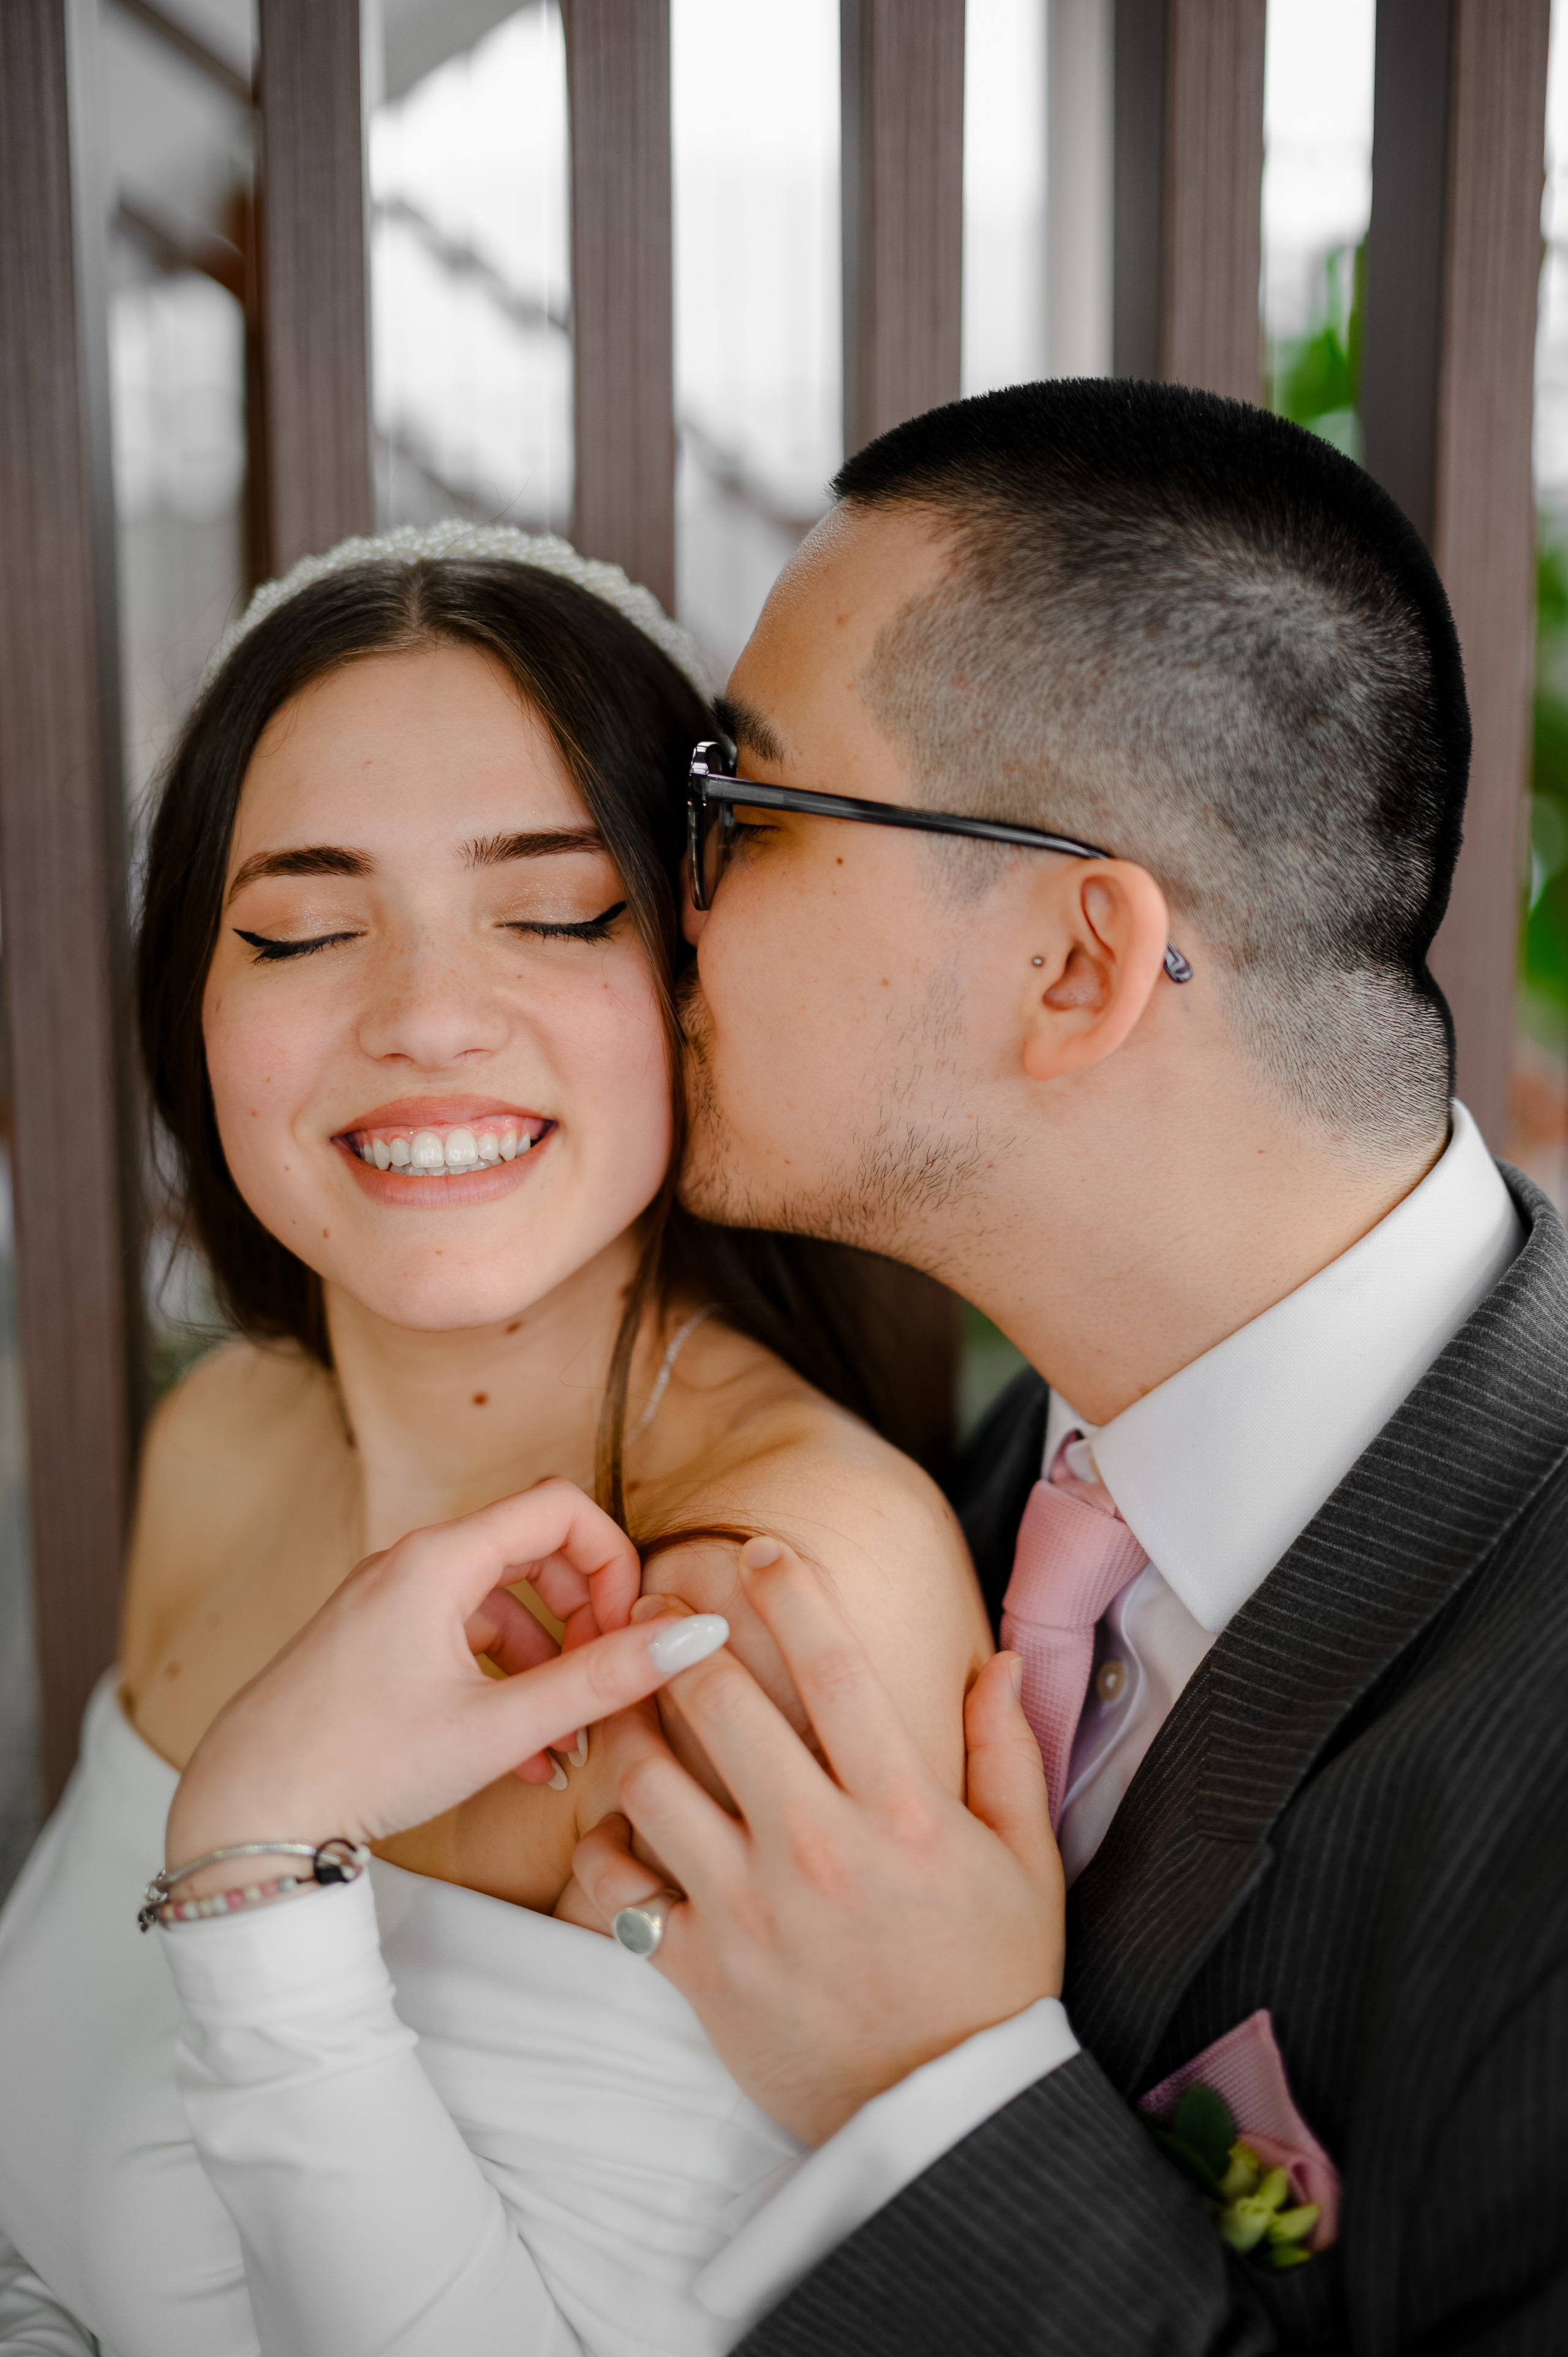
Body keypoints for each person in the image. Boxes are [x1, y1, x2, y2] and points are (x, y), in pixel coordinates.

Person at [138, 381, 1564, 2355]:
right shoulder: (1025, 1491)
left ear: (1074, 966)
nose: (672, 913)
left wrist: (947, 2092)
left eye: (748, 812)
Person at [0, 524, 990, 2356]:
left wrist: (259, 1851)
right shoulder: (223, 1442)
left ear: (699, 980)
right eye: (299, 927)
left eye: (555, 910)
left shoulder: (778, 1604)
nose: (426, 1019)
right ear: (192, 1010)